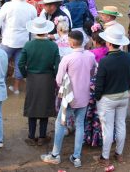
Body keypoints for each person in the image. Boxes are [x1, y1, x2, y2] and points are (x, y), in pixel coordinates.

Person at [41, 31, 97, 168]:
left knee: (60, 123)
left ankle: (55, 155)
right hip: (84, 95)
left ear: (71, 42)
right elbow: (94, 71)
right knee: (80, 125)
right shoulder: (90, 56)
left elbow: (59, 80)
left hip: (69, 97)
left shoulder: (67, 58)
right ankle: (76, 157)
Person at [93, 29, 130, 167]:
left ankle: (105, 157)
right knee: (121, 124)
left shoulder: (105, 61)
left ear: (109, 43)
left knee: (108, 128)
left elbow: (99, 83)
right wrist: (126, 90)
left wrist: (98, 97)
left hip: (108, 99)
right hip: (123, 96)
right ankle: (119, 154)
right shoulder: (128, 57)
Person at [19, 17, 60, 146]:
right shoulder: (53, 46)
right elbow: (57, 66)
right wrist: (53, 76)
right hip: (47, 78)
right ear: (47, 31)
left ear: (34, 31)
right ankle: (42, 136)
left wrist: (26, 74)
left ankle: (31, 136)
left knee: (32, 106)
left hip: (32, 78)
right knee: (45, 106)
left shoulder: (28, 45)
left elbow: (20, 64)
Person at [0, 0, 37, 95]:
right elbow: (33, 28)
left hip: (8, 40)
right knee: (19, 65)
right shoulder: (31, 8)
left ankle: (0, 88)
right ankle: (16, 88)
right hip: (23, 42)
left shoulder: (7, 6)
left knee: (1, 64)